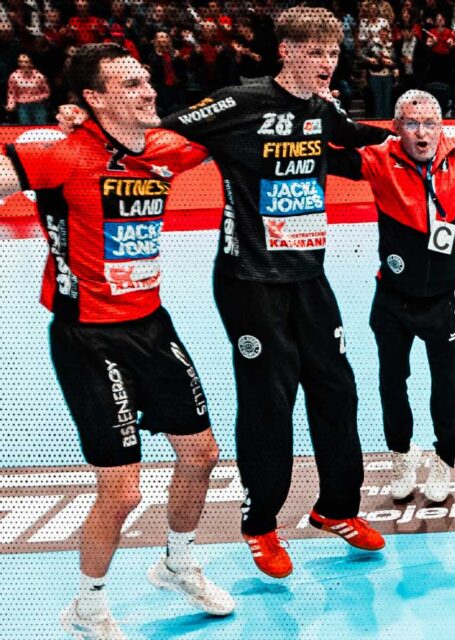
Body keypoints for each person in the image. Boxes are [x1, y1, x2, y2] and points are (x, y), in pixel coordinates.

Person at [0, 43, 234, 639]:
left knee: (202, 455)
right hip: (87, 340)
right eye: (130, 85)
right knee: (123, 491)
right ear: (93, 99)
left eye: (146, 79)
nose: (148, 90)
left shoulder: (165, 149)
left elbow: (232, 121)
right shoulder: (59, 153)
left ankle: (177, 563)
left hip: (153, 325)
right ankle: (87, 605)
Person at [159, 6, 393, 579]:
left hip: (309, 277)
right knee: (270, 401)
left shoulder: (322, 108)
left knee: (337, 390)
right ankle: (260, 523)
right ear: (286, 51)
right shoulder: (240, 101)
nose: (326, 63)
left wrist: (424, 134)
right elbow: (167, 130)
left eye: (332, 53)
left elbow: (358, 140)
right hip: (249, 281)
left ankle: (336, 509)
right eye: (315, 53)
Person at [326, 90, 455, 503]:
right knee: (392, 382)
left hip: (443, 299)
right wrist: (316, 112)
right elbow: (323, 154)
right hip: (391, 299)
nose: (422, 133)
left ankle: (444, 459)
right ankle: (401, 454)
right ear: (396, 128)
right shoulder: (378, 160)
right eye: (412, 124)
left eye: (430, 124)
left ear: (441, 127)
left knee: (445, 381)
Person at [6, 53, 50, 124]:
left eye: (26, 62)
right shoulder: (14, 76)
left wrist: (36, 98)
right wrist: (11, 104)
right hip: (22, 106)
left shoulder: (39, 76)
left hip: (38, 105)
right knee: (25, 126)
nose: (23, 64)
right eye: (20, 62)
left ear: (31, 63)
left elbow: (46, 92)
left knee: (41, 125)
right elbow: (11, 92)